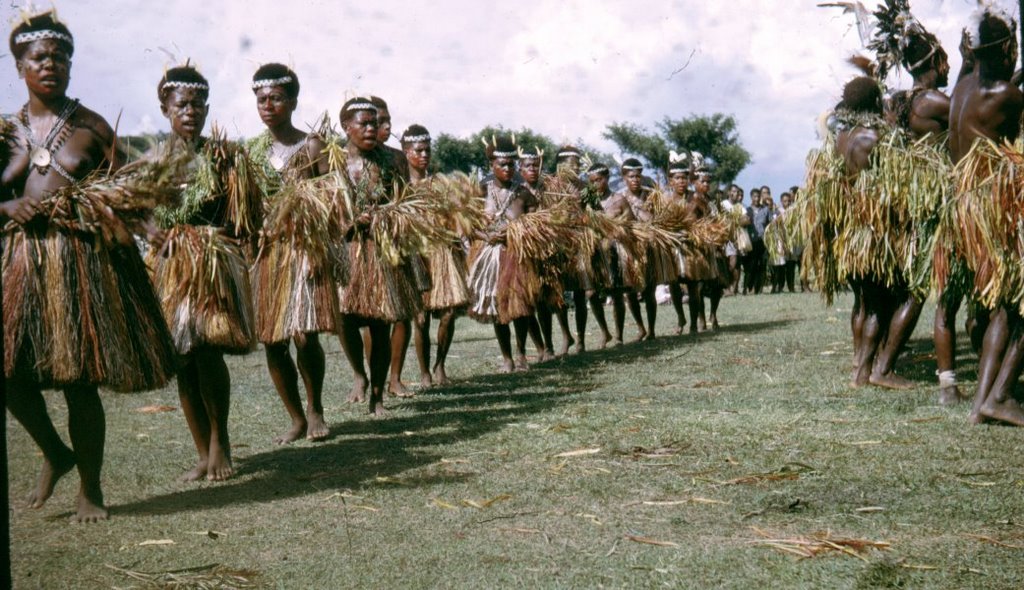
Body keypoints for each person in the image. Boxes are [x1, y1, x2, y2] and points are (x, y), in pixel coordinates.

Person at [2, 11, 176, 521]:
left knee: (78, 379)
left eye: (60, 57)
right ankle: (56, 453)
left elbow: (126, 193)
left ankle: (91, 490)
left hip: (79, 261)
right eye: (39, 58)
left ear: (72, 65)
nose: (50, 65)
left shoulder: (92, 126)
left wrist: (149, 231)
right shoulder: (5, 133)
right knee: (9, 374)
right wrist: (8, 207)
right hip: (21, 263)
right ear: (20, 67)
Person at [148, 64, 263, 482]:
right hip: (172, 266)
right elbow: (141, 213)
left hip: (215, 261)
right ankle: (201, 452)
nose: (190, 111)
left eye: (198, 104)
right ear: (165, 108)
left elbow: (245, 214)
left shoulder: (227, 156)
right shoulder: (154, 160)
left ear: (208, 106)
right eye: (181, 104)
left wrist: (227, 244)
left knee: (208, 348)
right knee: (182, 357)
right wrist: (157, 236)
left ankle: (221, 442)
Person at [942, 9, 1024, 424]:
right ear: (1007, 48)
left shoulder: (961, 89)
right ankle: (997, 397)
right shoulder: (1007, 96)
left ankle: (983, 404)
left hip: (962, 207)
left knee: (1003, 306)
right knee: (1013, 305)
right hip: (992, 207)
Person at [247, 63, 336, 443]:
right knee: (273, 338)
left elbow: (333, 201)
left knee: (304, 334)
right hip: (267, 254)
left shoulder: (313, 145)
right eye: (261, 99)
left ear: (293, 101)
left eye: (276, 98)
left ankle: (315, 411)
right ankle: (296, 418)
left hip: (303, 249)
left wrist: (319, 248)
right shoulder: (251, 152)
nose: (268, 105)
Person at [335, 96, 416, 415]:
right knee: (344, 319)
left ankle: (378, 396)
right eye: (363, 124)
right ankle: (359, 375)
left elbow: (406, 206)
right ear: (346, 127)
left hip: (381, 251)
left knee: (381, 323)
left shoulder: (394, 160)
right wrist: (348, 222)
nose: (371, 129)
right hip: (344, 251)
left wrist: (384, 217)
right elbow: (320, 209)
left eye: (374, 123)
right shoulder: (332, 161)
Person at [466, 135, 546, 372]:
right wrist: (485, 236)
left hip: (516, 255)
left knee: (519, 305)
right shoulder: (480, 191)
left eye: (511, 164)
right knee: (497, 306)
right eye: (502, 164)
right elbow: (467, 224)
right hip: (488, 255)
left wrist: (512, 234)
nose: (508, 169)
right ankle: (507, 358)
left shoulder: (524, 194)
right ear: (492, 165)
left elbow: (535, 227)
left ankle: (521, 354)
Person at [403, 124, 471, 386]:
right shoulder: (401, 185)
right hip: (415, 255)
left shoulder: (440, 183)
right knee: (419, 319)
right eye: (418, 150)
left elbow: (456, 215)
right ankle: (424, 372)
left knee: (448, 314)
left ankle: (440, 365)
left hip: (443, 252)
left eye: (427, 150)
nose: (424, 155)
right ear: (406, 152)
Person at [521, 148, 572, 358]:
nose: (532, 169)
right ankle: (542, 347)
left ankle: (556, 342)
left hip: (549, 251)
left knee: (550, 299)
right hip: (526, 253)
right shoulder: (517, 191)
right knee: (529, 303)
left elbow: (563, 215)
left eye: (535, 165)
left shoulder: (550, 189)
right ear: (520, 168)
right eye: (527, 165)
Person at [600, 158, 650, 342]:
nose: (635, 180)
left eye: (638, 176)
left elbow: (630, 222)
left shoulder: (620, 199)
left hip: (624, 248)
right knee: (616, 294)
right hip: (607, 251)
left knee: (630, 292)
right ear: (623, 178)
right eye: (631, 176)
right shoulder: (605, 198)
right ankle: (619, 336)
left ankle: (643, 328)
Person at [744, 186, 770, 294]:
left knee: (762, 265)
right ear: (751, 197)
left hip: (763, 241)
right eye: (754, 196)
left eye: (758, 196)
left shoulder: (765, 209)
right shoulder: (747, 210)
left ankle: (759, 288)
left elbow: (770, 223)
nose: (756, 198)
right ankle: (747, 288)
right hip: (751, 241)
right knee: (751, 266)